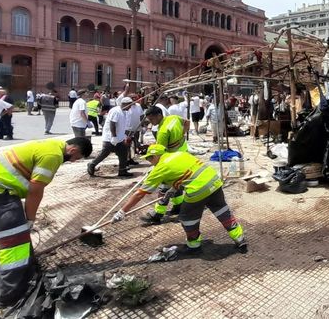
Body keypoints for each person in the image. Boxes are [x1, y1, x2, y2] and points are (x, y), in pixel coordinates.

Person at [0, 137, 92, 308]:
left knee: (17, 236)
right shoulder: (53, 155)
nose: (73, 161)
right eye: (76, 158)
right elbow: (35, 190)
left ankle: (28, 274)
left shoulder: (51, 145)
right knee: (14, 244)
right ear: (73, 150)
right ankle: (9, 298)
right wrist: (30, 219)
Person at [112, 144, 247, 253]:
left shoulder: (160, 168)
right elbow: (186, 172)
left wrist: (122, 211)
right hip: (214, 181)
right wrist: (174, 188)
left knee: (187, 218)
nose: (150, 162)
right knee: (222, 211)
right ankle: (239, 238)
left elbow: (140, 193)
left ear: (156, 156)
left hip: (197, 189)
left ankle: (194, 245)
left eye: (150, 158)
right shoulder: (179, 154)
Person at [140, 106, 188, 224]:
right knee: (175, 184)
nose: (151, 123)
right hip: (184, 156)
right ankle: (178, 206)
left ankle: (158, 214)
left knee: (164, 188)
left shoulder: (162, 131)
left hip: (172, 161)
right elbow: (187, 122)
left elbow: (159, 154)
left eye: (152, 120)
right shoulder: (174, 118)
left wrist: (156, 168)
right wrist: (182, 135)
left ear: (159, 115)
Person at [87, 96, 133, 177]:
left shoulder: (124, 112)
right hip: (110, 138)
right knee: (104, 153)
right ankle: (92, 164)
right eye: (129, 105)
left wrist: (124, 135)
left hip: (119, 138)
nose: (130, 107)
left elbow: (121, 126)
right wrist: (114, 137)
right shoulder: (116, 111)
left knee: (123, 153)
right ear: (125, 104)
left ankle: (122, 170)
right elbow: (112, 124)